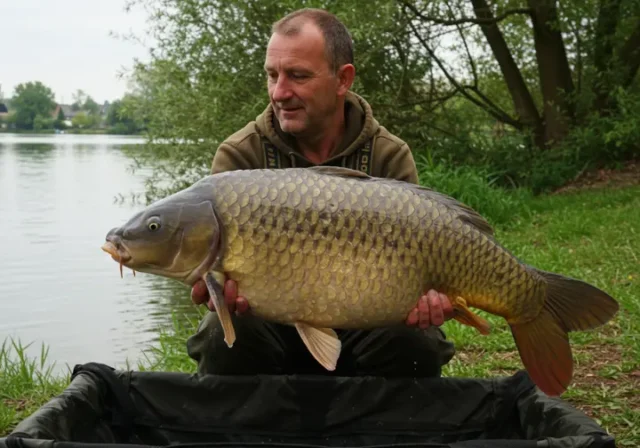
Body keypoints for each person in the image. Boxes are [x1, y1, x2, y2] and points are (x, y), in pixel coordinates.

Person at [187, 8, 455, 378]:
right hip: (269, 329)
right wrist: (213, 289)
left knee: (417, 341)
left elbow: (425, 270)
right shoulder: (240, 156)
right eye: (272, 75)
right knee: (223, 335)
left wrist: (432, 300)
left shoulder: (388, 154)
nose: (279, 92)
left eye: (297, 76)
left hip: (368, 326)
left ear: (342, 79)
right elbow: (217, 279)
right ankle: (255, 432)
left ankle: (378, 432)